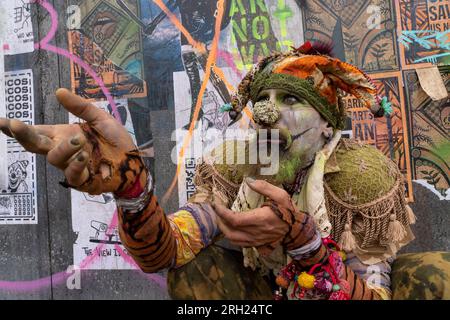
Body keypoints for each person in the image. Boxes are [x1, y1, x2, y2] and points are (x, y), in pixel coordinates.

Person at [0, 43, 415, 300]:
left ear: (326, 122)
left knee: (434, 274)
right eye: (263, 98)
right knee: (196, 269)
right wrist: (130, 186)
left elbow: (373, 296)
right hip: (267, 291)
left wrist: (305, 241)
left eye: (290, 99)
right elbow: (167, 251)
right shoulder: (237, 166)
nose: (268, 113)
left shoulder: (361, 178)